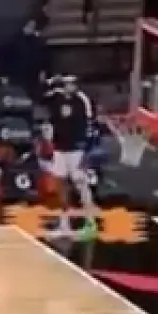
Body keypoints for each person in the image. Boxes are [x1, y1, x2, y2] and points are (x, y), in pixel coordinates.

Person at [46, 74, 96, 236]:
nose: (69, 87)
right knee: (61, 186)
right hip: (60, 149)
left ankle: (90, 223)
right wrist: (50, 82)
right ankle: (64, 224)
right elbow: (41, 98)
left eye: (72, 84)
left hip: (77, 150)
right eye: (66, 84)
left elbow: (90, 126)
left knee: (80, 184)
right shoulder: (56, 98)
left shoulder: (82, 101)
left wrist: (86, 151)